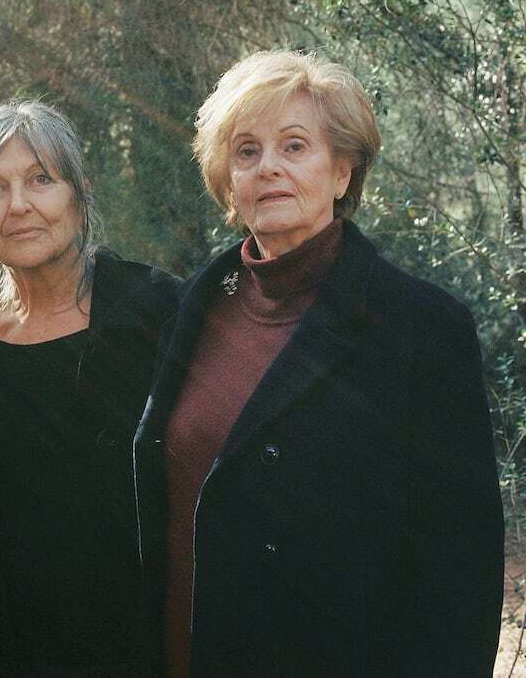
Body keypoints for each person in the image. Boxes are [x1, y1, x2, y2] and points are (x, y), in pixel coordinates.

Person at [133, 50, 504, 676]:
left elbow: (460, 576)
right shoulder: (194, 309)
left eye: (294, 145)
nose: (268, 167)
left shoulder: (422, 328)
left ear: (342, 170)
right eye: (246, 151)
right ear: (227, 180)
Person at [0, 101, 180, 674]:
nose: (19, 206)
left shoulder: (159, 313)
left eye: (41, 179)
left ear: (79, 193)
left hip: (145, 650)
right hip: (5, 653)